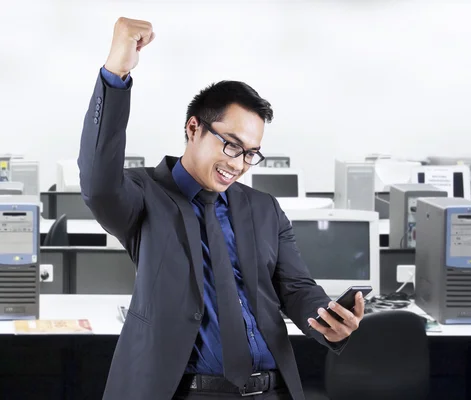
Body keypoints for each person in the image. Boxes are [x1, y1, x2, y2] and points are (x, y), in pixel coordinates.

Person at [78, 17, 366, 400]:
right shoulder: (144, 195)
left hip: (271, 390)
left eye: (250, 153)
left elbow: (296, 289)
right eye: (231, 145)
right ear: (193, 128)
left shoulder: (264, 209)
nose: (239, 162)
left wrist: (326, 318)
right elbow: (98, 183)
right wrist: (116, 73)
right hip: (187, 392)